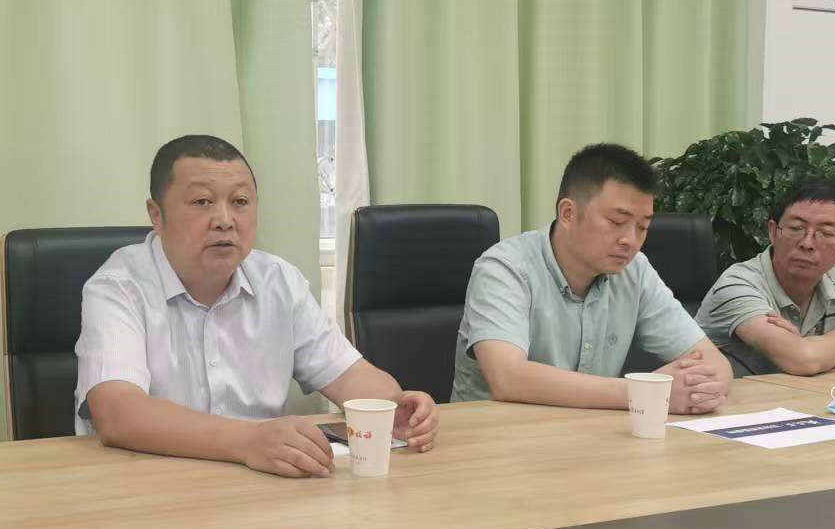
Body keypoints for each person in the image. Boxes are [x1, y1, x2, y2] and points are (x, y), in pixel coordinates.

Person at [75, 134, 438, 477]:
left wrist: (397, 407)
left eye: (240, 202)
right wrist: (247, 441)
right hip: (144, 485)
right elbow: (119, 413)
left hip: (257, 486)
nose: (224, 221)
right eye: (202, 202)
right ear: (156, 215)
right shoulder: (117, 287)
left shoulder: (278, 281)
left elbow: (349, 376)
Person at [452, 143, 731, 413]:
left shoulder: (635, 271)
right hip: (497, 437)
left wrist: (703, 387)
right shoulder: (505, 268)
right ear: (568, 213)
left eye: (643, 227)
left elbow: (714, 363)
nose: (630, 240)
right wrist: (645, 392)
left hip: (591, 435)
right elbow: (508, 378)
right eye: (617, 222)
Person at [695, 181, 835, 376]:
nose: (807, 243)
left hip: (799, 401)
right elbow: (803, 360)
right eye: (796, 228)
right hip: (732, 406)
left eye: (826, 233)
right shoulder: (739, 283)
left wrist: (819, 354)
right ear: (773, 232)